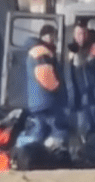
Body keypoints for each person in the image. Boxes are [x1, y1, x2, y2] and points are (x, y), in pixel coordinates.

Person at [15, 25, 69, 153]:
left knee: (40, 129)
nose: (52, 38)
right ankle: (51, 153)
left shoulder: (37, 50)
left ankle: (24, 149)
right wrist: (58, 88)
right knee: (58, 129)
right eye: (49, 35)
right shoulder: (41, 51)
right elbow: (44, 74)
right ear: (42, 37)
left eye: (53, 36)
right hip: (47, 99)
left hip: (38, 100)